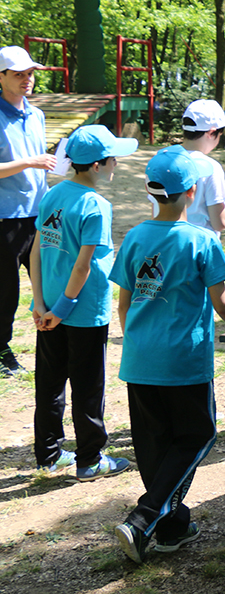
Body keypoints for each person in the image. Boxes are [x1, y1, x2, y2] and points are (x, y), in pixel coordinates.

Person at [110, 146, 225, 564]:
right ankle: (143, 517)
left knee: (156, 444)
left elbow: (124, 304)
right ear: (192, 192)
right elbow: (223, 305)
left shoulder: (135, 237)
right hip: (183, 361)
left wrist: (139, 342)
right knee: (197, 435)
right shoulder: (202, 240)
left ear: (149, 190)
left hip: (139, 359)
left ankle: (172, 529)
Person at [29, 125, 138, 480]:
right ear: (96, 165)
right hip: (83, 311)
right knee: (88, 387)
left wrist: (40, 303)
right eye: (112, 159)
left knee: (49, 383)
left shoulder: (53, 194)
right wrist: (63, 309)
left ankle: (48, 454)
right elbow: (83, 265)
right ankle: (89, 460)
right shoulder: (95, 205)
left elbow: (35, 251)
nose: (116, 164)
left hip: (48, 310)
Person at [1, 46, 55, 377]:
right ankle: (1, 350)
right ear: (1, 76)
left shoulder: (37, 115)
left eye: (30, 73)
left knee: (48, 280)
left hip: (40, 214)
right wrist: (29, 162)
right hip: (5, 218)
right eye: (18, 74)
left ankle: (53, 338)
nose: (27, 79)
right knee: (5, 289)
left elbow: (41, 164)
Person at [181, 99, 225, 237]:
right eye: (220, 134)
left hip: (167, 243)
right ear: (212, 133)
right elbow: (220, 223)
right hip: (200, 244)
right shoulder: (211, 167)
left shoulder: (163, 159)